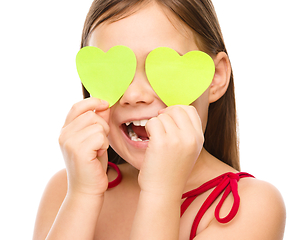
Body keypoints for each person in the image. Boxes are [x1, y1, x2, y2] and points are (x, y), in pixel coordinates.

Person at [33, 0, 286, 239]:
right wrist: (82, 195)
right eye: (115, 71)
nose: (133, 96)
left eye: (163, 70)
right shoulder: (65, 189)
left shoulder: (250, 206)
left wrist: (160, 194)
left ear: (215, 77)